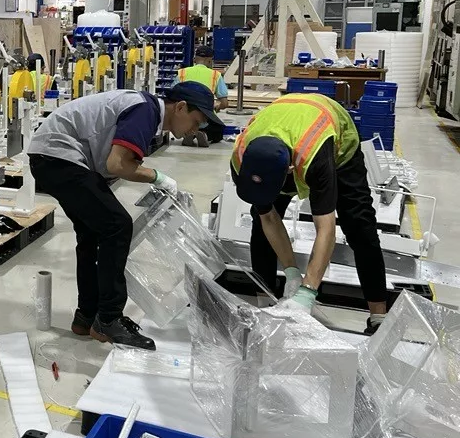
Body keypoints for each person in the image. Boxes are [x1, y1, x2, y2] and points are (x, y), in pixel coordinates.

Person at [28, 82, 219, 350]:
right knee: (117, 225)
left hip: (52, 156)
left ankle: (87, 316)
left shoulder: (146, 112)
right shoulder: (145, 111)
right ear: (180, 107)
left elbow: (116, 163)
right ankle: (108, 318)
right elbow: (117, 164)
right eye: (196, 122)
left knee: (93, 233)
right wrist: (159, 178)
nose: (195, 131)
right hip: (58, 155)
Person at [230, 93, 388, 334]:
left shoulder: (316, 158)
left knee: (359, 224)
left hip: (336, 145)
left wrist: (307, 292)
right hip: (285, 130)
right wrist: (292, 273)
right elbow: (268, 218)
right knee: (259, 224)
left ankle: (378, 315)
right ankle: (266, 303)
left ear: (290, 170)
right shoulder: (241, 159)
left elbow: (326, 229)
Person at [177, 45, 229, 146]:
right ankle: (205, 134)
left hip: (184, 117)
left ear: (194, 59)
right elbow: (224, 103)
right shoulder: (215, 75)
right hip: (205, 117)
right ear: (210, 61)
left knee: (184, 122)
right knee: (218, 130)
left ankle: (188, 133)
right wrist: (217, 107)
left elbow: (172, 96)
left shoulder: (181, 73)